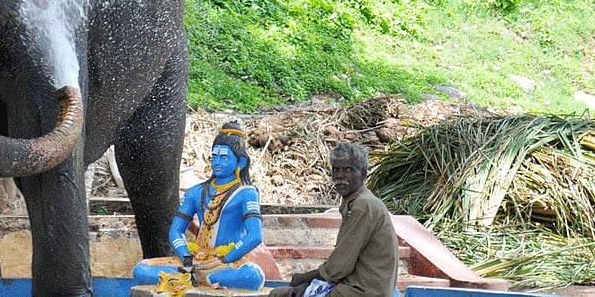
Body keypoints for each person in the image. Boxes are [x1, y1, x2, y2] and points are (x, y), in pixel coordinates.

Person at [133, 120, 267, 290]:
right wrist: (186, 257)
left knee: (253, 276)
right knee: (141, 270)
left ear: (240, 163)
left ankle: (195, 279)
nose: (217, 162)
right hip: (195, 261)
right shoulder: (196, 192)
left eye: (224, 157)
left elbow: (255, 235)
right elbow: (176, 231)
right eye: (214, 157)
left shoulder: (247, 193)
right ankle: (194, 277)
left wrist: (225, 258)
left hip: (228, 262)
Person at [269, 142, 398, 297]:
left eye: (348, 170)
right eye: (336, 169)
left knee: (279, 294)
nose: (340, 176)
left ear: (363, 174)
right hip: (357, 286)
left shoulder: (363, 205)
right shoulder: (356, 202)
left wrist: (304, 278)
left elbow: (339, 267)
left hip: (362, 291)